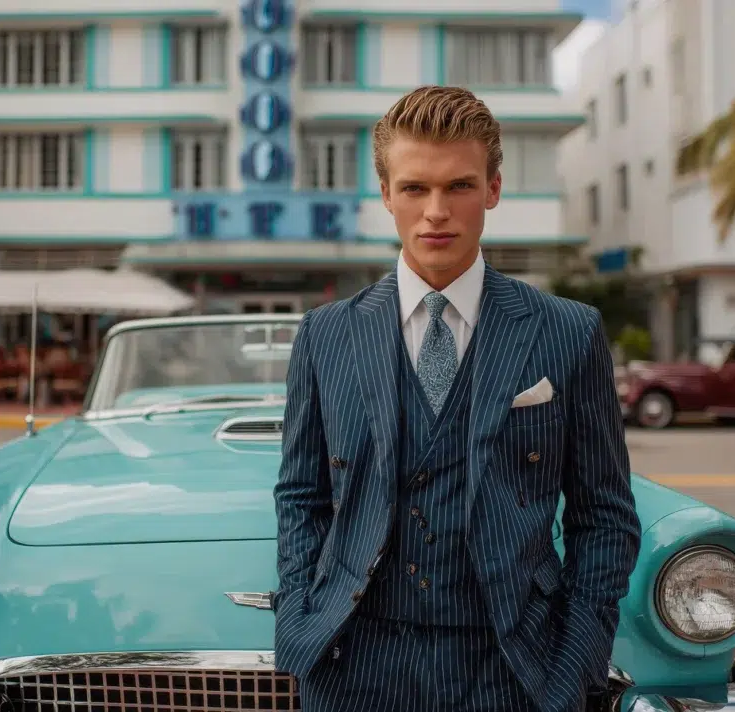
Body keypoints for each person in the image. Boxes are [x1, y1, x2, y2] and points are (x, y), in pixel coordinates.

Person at [273, 85, 642, 712]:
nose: (436, 211)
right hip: (354, 664)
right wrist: (301, 618)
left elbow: (602, 515)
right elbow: (301, 496)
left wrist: (576, 663)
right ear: (386, 194)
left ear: (493, 190)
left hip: (515, 667)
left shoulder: (568, 331)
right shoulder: (326, 335)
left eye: (460, 187)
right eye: (415, 188)